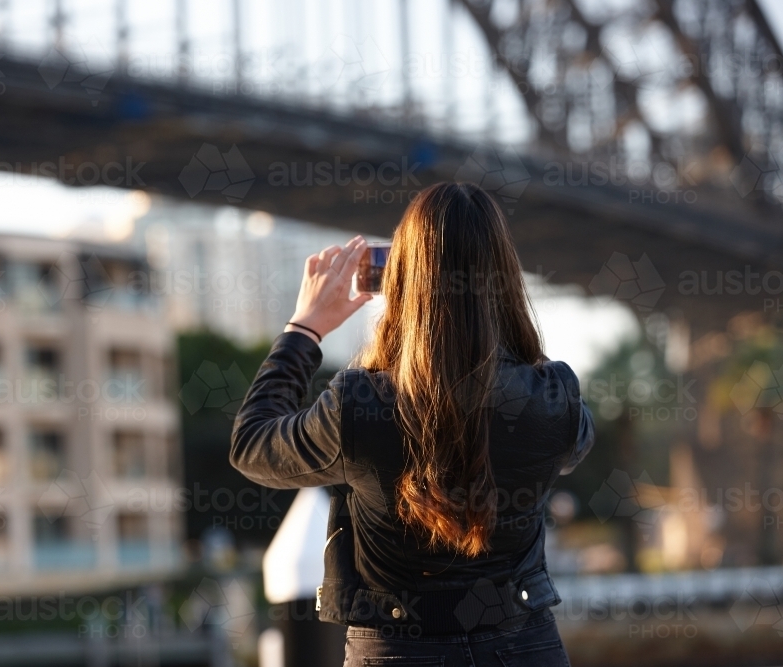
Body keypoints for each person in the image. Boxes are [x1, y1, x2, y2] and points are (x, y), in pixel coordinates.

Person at [230, 182, 594, 666]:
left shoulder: (357, 405)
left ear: (401, 280)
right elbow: (571, 440)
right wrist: (511, 337)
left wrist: (305, 329)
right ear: (504, 277)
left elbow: (253, 446)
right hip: (525, 647)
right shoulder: (554, 397)